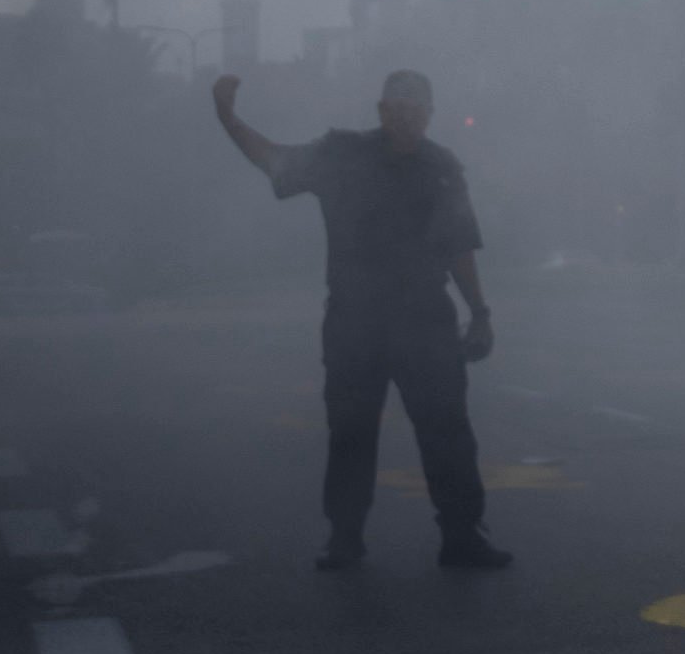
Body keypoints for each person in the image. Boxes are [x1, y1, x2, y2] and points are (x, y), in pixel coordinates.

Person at [213, 66, 508, 571]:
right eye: (400, 106)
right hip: (357, 321)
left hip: (425, 322)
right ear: (382, 110)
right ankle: (344, 537)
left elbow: (459, 246)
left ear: (430, 114)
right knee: (350, 432)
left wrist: (479, 313)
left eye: (418, 108)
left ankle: (462, 535)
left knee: (448, 432)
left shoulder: (441, 168)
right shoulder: (342, 156)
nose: (409, 116)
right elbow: (275, 162)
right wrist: (228, 117)